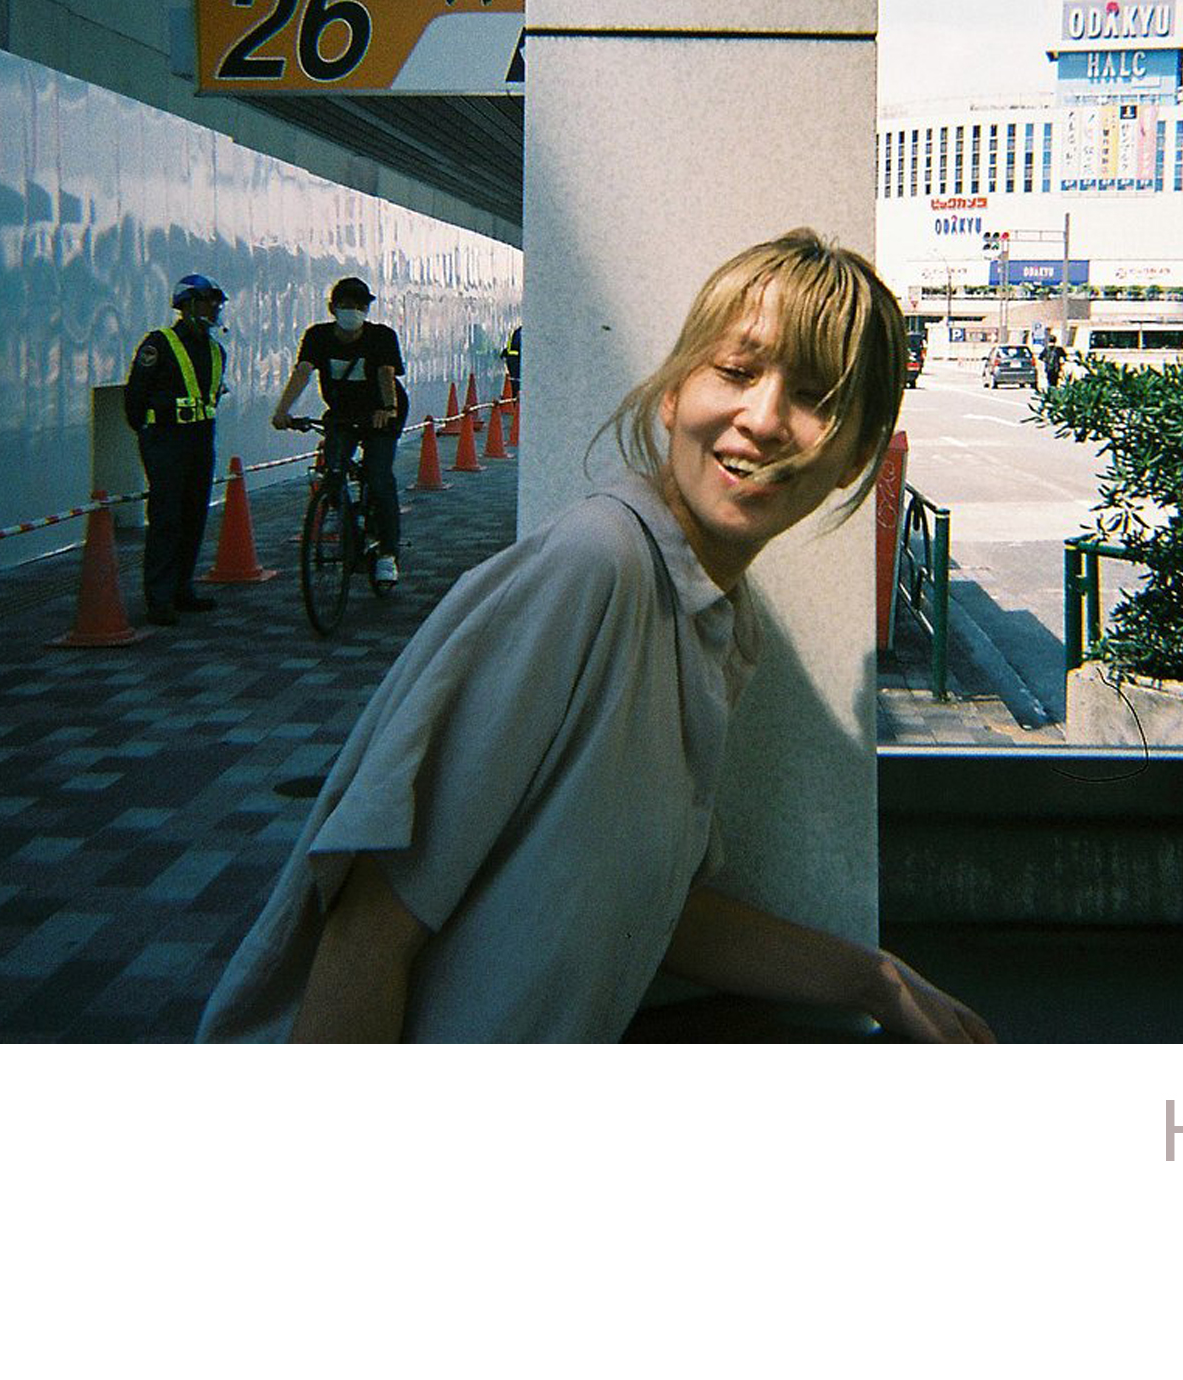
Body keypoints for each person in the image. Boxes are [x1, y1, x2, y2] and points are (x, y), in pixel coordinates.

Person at [198, 229, 995, 1045]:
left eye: (818, 397)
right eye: (736, 371)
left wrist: (873, 979)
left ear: (858, 455)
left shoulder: (716, 617)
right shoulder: (597, 568)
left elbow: (647, 911)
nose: (762, 420)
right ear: (674, 394)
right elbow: (369, 928)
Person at [271, 276, 408, 588]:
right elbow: (303, 371)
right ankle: (347, 518)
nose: (353, 311)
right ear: (332, 308)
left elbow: (386, 373)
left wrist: (387, 409)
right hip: (343, 412)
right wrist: (283, 411)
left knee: (379, 476)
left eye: (360, 305)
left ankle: (388, 554)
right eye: (346, 304)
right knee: (332, 472)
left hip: (382, 410)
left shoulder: (381, 337)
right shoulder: (318, 336)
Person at [124, 274, 227, 626]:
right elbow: (136, 396)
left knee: (194, 515)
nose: (214, 308)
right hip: (166, 440)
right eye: (208, 301)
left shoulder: (216, 350)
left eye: (216, 302)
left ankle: (183, 588)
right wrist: (149, 432)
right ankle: (159, 598)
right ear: (188, 304)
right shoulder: (159, 344)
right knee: (166, 517)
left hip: (201, 439)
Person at [500, 322, 522, 398]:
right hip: (516, 361)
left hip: (511, 360)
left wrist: (505, 353)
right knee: (516, 382)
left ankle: (513, 396)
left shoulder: (517, 332)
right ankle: (514, 397)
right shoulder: (522, 333)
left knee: (514, 382)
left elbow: (511, 346)